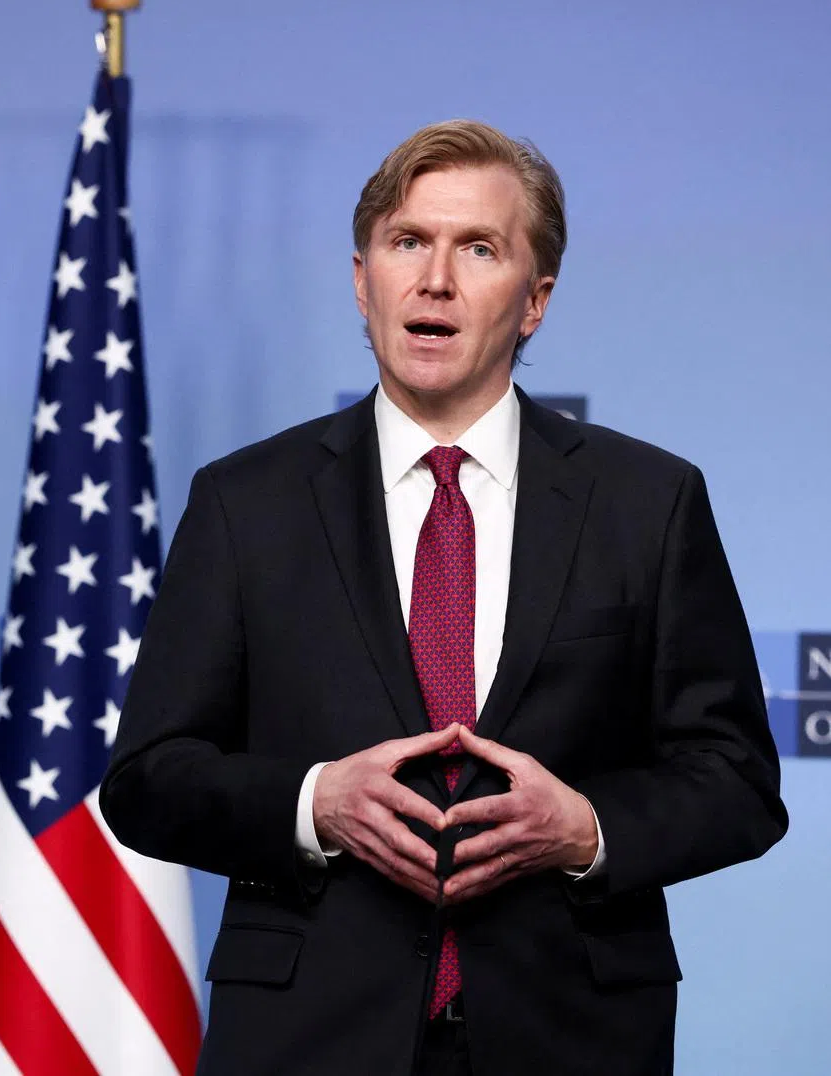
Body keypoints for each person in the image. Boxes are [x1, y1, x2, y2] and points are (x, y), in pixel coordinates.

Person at [99, 121, 787, 1076]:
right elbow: (147, 779)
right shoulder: (245, 502)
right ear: (361, 279)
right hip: (309, 1041)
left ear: (535, 300)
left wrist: (585, 829)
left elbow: (737, 783)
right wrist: (314, 802)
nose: (435, 279)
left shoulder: (649, 503)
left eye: (479, 248)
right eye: (408, 241)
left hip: (572, 1040)